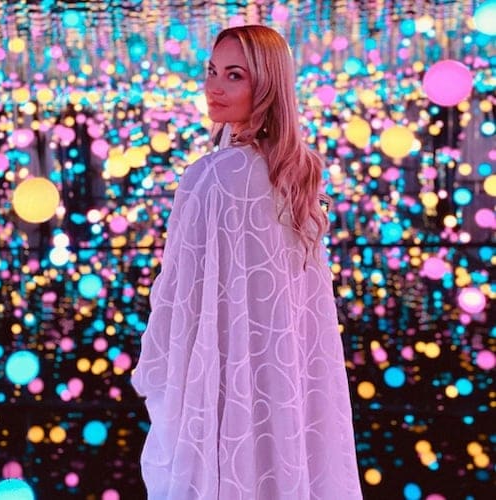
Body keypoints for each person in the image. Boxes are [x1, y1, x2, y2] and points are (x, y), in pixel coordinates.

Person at [131, 25, 362, 499]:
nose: (215, 87)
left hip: (221, 394)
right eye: (212, 71)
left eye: (234, 75)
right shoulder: (297, 176)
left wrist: (152, 373)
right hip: (287, 396)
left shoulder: (211, 178)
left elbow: (177, 299)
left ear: (266, 84)